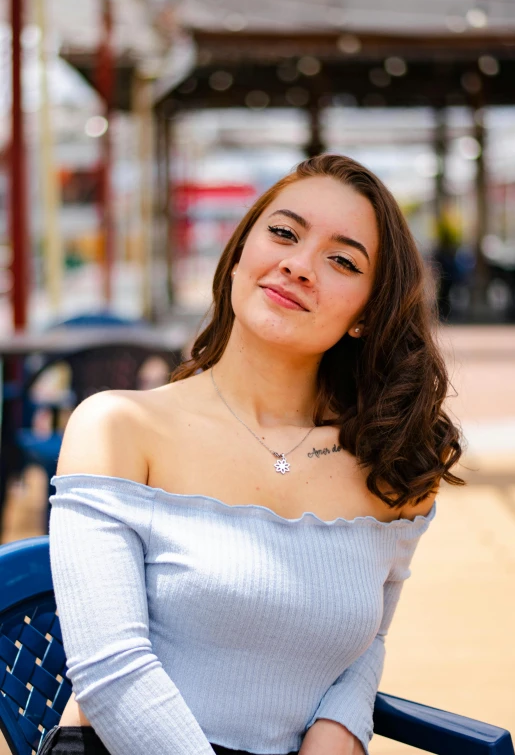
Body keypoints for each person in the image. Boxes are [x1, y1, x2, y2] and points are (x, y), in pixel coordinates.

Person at [41, 154, 465, 755]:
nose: (299, 265)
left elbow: (367, 637)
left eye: (342, 260)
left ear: (367, 315)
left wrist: (341, 726)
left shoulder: (392, 461)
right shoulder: (119, 426)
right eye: (284, 233)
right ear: (240, 253)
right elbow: (112, 674)